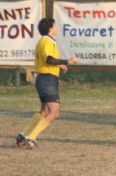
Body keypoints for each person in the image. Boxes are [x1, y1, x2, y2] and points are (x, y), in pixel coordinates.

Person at [16, 17, 80, 149]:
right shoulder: (47, 41)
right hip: (47, 80)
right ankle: (31, 137)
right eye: (55, 25)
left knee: (44, 111)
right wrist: (67, 61)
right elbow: (49, 60)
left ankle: (24, 135)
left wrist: (59, 66)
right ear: (50, 28)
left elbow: (48, 60)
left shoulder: (45, 41)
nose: (57, 28)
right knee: (54, 112)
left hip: (44, 78)